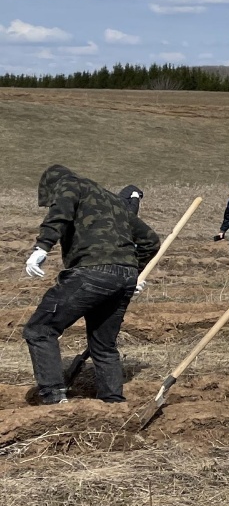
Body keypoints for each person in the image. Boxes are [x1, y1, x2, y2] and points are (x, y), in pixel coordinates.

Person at [23, 165, 160, 405]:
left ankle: (54, 396)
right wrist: (132, 273)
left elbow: (60, 214)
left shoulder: (69, 184)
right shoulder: (114, 201)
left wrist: (42, 247)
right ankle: (113, 401)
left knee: (40, 328)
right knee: (103, 345)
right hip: (124, 277)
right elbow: (151, 241)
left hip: (92, 272)